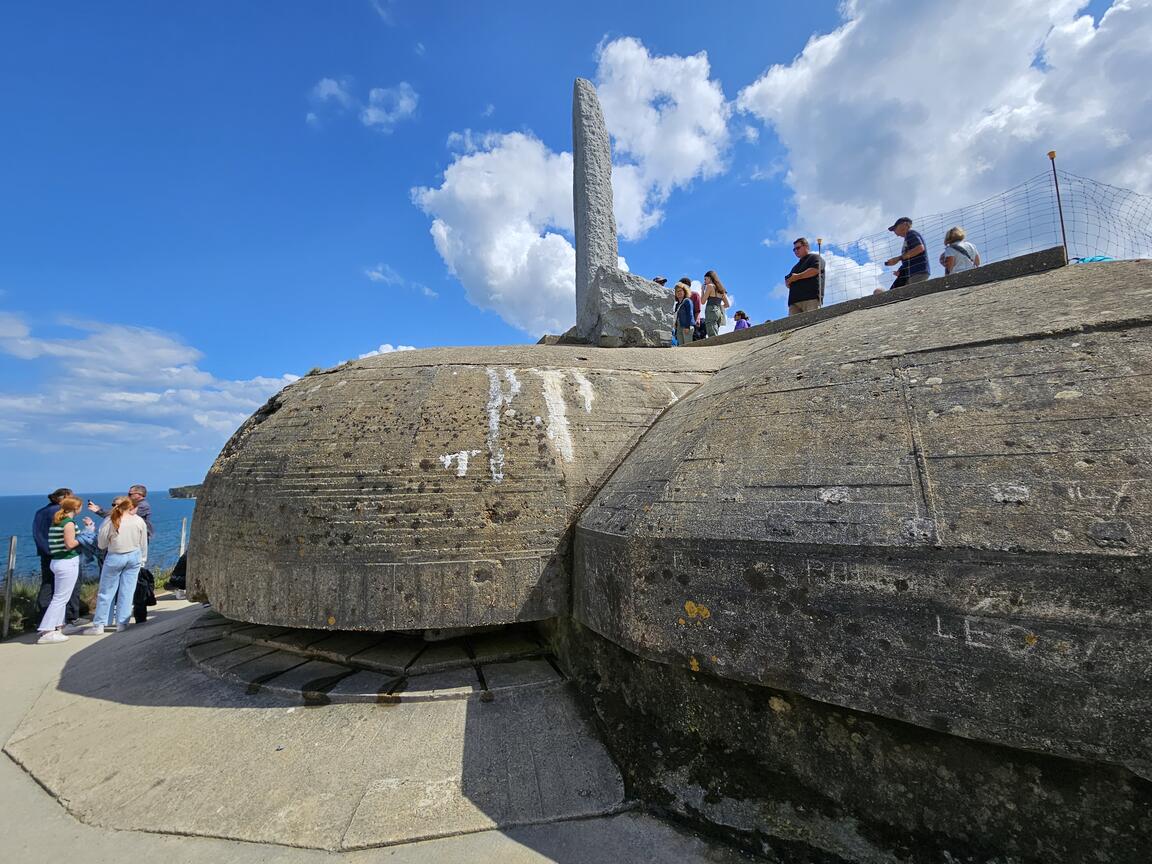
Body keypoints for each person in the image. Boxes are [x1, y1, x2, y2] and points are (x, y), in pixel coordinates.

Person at [83, 496, 149, 635]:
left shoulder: (110, 520)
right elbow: (143, 542)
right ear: (131, 507)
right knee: (127, 590)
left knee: (106, 591)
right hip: (134, 555)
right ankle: (122, 622)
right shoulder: (138, 520)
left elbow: (101, 544)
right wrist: (143, 558)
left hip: (115, 556)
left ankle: (100, 624)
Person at [36, 495, 84, 644]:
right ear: (75, 508)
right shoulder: (68, 523)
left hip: (58, 561)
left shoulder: (58, 521)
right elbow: (70, 544)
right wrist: (86, 535)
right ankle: (48, 630)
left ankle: (59, 626)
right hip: (67, 561)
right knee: (60, 598)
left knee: (61, 596)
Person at [32, 488, 74, 623]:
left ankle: (42, 617)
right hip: (61, 553)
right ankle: (67, 618)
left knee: (47, 584)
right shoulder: (60, 513)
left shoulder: (40, 512)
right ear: (65, 497)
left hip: (45, 552)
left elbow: (37, 533)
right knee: (65, 588)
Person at [884, 217, 929, 290]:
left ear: (905, 224)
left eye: (895, 229)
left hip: (917, 272)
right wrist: (901, 270)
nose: (895, 233)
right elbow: (909, 257)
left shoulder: (911, 233)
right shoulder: (908, 237)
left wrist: (898, 259)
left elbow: (920, 248)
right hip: (912, 273)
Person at [785, 237, 825, 316]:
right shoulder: (795, 267)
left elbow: (815, 270)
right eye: (794, 250)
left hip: (810, 298)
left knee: (813, 323)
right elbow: (787, 282)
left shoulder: (815, 258)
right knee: (794, 327)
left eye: (798, 248)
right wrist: (790, 280)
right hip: (794, 303)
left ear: (806, 246)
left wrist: (797, 277)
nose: (796, 251)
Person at [701, 270, 731, 338]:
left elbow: (702, 302)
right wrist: (717, 307)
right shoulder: (721, 289)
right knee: (715, 330)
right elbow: (727, 305)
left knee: (711, 332)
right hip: (718, 311)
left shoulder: (710, 286)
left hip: (711, 310)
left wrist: (702, 290)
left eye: (705, 279)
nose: (704, 281)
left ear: (710, 278)